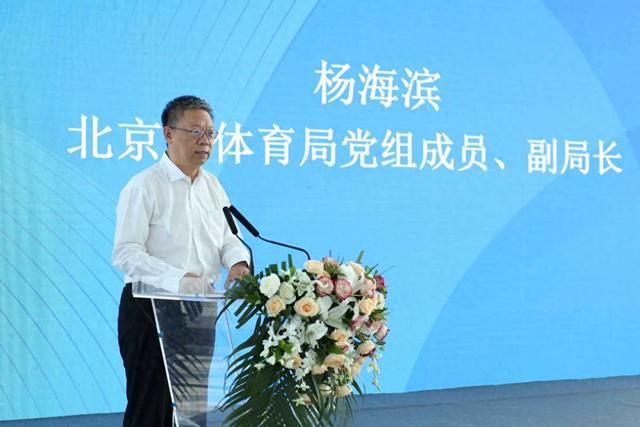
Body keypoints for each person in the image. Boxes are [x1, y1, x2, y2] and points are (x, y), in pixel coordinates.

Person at [112, 95, 250, 427]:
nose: (205, 141)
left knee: (193, 411)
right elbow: (126, 252)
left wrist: (238, 264)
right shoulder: (144, 186)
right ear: (168, 133)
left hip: (199, 309)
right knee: (151, 407)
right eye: (195, 132)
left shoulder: (213, 187)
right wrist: (179, 279)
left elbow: (228, 238)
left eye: (210, 133)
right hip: (150, 309)